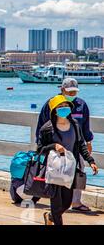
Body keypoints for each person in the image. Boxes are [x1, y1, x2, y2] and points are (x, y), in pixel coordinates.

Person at [38, 95, 98, 225]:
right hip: (53, 171)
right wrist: (54, 146)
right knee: (56, 204)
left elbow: (81, 144)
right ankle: (55, 218)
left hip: (70, 170)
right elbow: (40, 149)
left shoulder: (75, 125)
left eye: (66, 106)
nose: (64, 109)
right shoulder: (46, 129)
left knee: (66, 203)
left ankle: (50, 217)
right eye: (60, 107)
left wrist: (91, 161)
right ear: (54, 110)